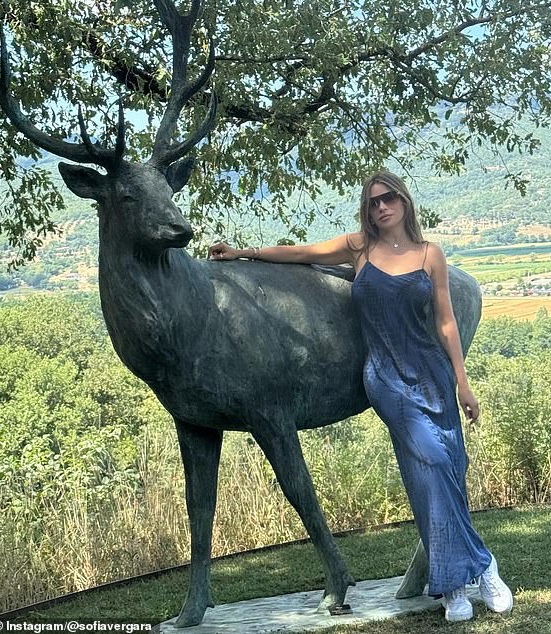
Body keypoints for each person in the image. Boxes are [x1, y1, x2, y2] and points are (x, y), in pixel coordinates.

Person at [207, 170, 513, 622]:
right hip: (386, 380)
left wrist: (462, 382)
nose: (381, 207)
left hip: (432, 374)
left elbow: (446, 322)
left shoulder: (431, 255)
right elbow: (298, 254)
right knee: (431, 462)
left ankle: (452, 585)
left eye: (388, 198)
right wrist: (242, 253)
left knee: (441, 470)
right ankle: (482, 568)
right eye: (373, 202)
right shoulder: (359, 248)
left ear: (404, 202)